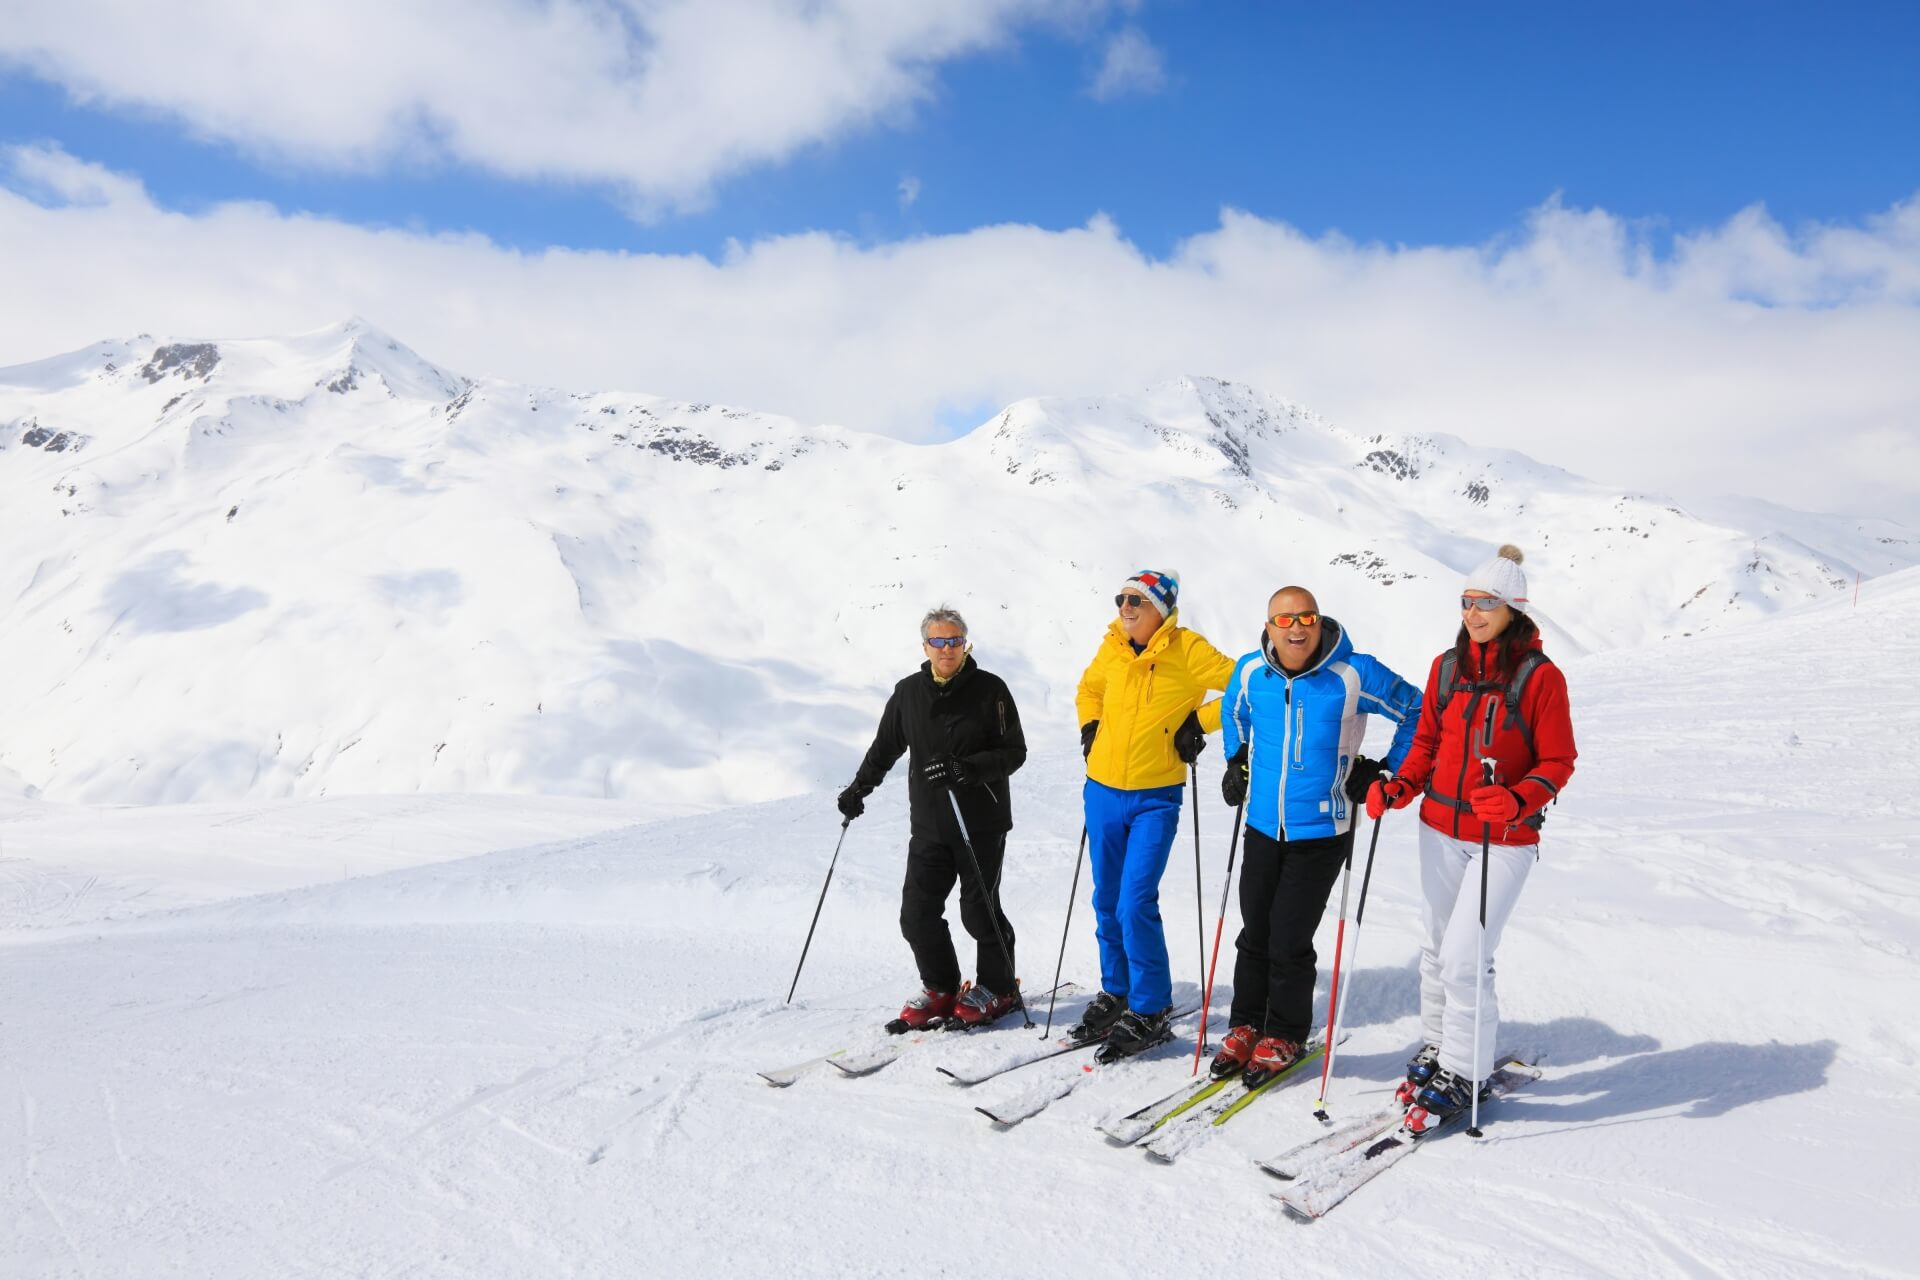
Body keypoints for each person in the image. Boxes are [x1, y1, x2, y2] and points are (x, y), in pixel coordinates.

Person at [1366, 545, 1577, 1125]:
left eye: (1485, 603)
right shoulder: (1447, 667)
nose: (1473, 613)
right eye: (1466, 602)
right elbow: (1428, 742)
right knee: (1437, 949)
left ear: (1512, 608)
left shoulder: (1540, 678)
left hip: (1503, 839)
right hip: (1439, 825)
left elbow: (1558, 760)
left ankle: (1467, 1069)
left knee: (1465, 958)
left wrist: (1515, 798)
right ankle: (1440, 1045)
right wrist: (1401, 784)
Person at [1210, 586, 1422, 1086]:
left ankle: (1284, 1032)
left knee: (1289, 935)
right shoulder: (1249, 671)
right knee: (1254, 930)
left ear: (1319, 620)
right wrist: (1236, 758)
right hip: (1262, 823)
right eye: (1284, 620)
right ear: (1269, 627)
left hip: (1324, 827)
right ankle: (1246, 1024)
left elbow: (1416, 710)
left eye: (1306, 617)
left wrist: (1386, 770)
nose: (1296, 628)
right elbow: (1232, 712)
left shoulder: (1354, 672)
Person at [838, 606, 1029, 1030]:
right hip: (929, 825)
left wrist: (968, 769)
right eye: (939, 641)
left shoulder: (990, 690)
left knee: (979, 912)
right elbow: (885, 748)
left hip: (981, 822)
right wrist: (858, 789)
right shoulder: (908, 693)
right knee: (917, 913)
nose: (947, 649)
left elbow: (1014, 752)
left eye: (955, 640)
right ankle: (941, 988)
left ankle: (999, 989)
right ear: (924, 646)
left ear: (966, 644)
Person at [1072, 570, 1234, 1062]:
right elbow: (1088, 689)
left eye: (1137, 600)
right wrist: (1090, 726)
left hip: (1154, 795)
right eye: (1122, 597)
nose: (1125, 606)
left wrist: (1197, 721)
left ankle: (1149, 1007)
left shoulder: (1186, 649)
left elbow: (1247, 684)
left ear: (1161, 610)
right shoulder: (1113, 646)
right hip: (1101, 791)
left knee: (1134, 900)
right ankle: (1117, 990)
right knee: (1106, 899)